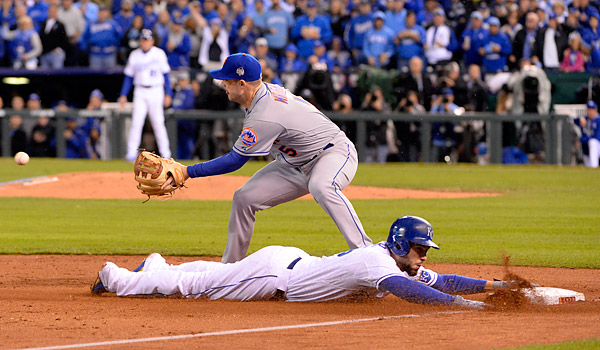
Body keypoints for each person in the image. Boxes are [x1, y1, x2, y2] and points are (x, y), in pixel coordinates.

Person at [162, 53, 372, 263]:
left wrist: (188, 171)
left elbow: (235, 160)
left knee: (321, 186)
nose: (223, 83)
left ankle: (367, 254)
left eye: (227, 80)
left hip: (332, 153)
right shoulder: (260, 95)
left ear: (242, 84)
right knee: (244, 198)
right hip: (294, 164)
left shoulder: (265, 113)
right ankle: (229, 269)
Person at [92, 215, 517, 309]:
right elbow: (415, 293)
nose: (424, 256)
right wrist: (471, 308)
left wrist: (494, 288)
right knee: (197, 287)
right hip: (277, 275)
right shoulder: (380, 265)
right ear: (402, 243)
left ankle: (153, 265)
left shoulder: (390, 259)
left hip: (286, 263)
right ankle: (114, 277)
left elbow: (441, 281)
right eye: (421, 248)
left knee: (215, 275)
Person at [119, 29, 173, 161]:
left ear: (152, 41)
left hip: (156, 90)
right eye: (143, 40)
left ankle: (166, 154)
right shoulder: (134, 55)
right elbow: (128, 77)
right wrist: (123, 94)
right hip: (140, 90)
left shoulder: (159, 54)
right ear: (140, 41)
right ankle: (131, 154)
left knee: (158, 122)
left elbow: (166, 75)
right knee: (136, 122)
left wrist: (168, 94)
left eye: (147, 40)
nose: (145, 42)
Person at [39, 3, 69, 69]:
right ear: (48, 12)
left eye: (54, 11)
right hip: (44, 52)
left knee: (56, 73)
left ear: (56, 12)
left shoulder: (60, 25)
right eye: (50, 11)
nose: (52, 13)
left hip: (55, 53)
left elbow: (64, 38)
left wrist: (60, 49)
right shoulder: (43, 24)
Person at [575, 100, 600, 168]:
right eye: (589, 109)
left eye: (592, 109)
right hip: (586, 148)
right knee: (587, 167)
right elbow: (573, 120)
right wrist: (580, 117)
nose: (590, 111)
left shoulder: (598, 120)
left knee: (592, 142)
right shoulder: (585, 118)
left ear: (596, 110)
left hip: (597, 146)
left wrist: (580, 140)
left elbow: (596, 137)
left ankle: (594, 166)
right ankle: (591, 167)